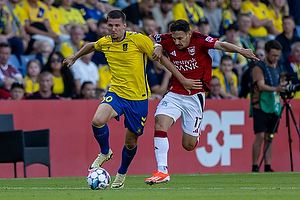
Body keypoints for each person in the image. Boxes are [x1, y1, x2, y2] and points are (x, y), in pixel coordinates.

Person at [63, 10, 200, 189]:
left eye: (117, 26)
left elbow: (162, 59)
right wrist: (75, 56)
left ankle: (121, 172)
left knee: (130, 142)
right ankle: (105, 152)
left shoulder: (137, 39)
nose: (113, 29)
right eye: (110, 25)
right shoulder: (105, 42)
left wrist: (181, 79)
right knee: (97, 120)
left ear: (124, 26)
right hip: (117, 93)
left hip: (138, 99)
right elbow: (91, 45)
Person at [145, 19, 258, 184]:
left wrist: (241, 51)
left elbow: (222, 45)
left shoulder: (200, 40)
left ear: (189, 34)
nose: (176, 42)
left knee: (188, 145)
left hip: (195, 95)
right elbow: (150, 37)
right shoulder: (168, 38)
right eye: (174, 39)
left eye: (180, 39)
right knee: (159, 123)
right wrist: (158, 46)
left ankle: (196, 134)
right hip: (175, 93)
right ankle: (162, 171)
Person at [250, 40, 286, 173]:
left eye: (277, 55)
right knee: (259, 135)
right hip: (260, 104)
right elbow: (260, 85)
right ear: (266, 53)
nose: (275, 58)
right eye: (273, 55)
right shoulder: (258, 67)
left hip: (274, 105)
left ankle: (267, 166)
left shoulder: (278, 67)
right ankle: (254, 166)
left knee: (269, 136)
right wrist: (277, 88)